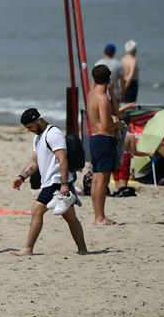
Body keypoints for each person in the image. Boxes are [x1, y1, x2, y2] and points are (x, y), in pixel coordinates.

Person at [14, 108, 88, 256]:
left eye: (30, 127)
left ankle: (28, 249)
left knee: (36, 210)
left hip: (57, 182)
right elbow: (34, 162)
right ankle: (83, 250)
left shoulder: (53, 133)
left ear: (37, 120)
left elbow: (63, 158)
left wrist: (64, 184)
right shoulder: (37, 137)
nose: (29, 130)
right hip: (52, 182)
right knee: (70, 217)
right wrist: (22, 177)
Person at [86, 64, 124, 226]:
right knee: (102, 180)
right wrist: (119, 126)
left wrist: (112, 94)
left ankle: (97, 215)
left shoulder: (92, 94)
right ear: (109, 80)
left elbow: (115, 111)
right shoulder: (102, 98)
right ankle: (99, 217)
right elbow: (109, 123)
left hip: (95, 139)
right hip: (104, 139)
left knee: (96, 179)